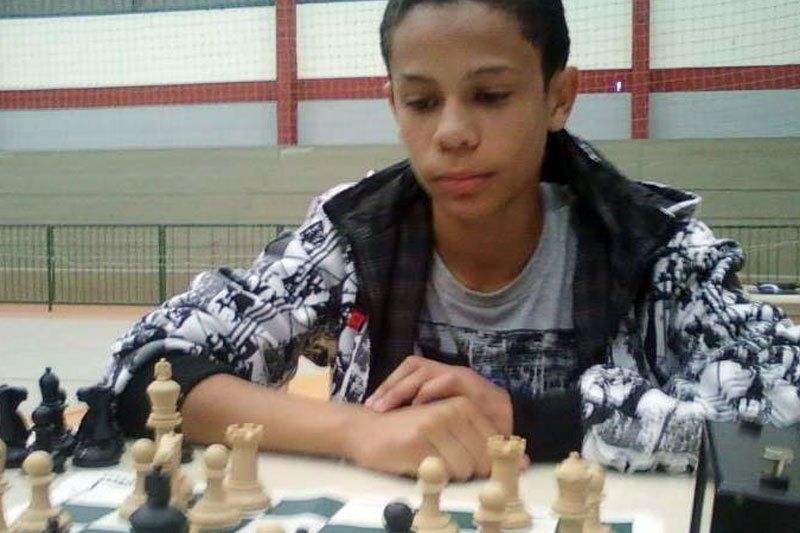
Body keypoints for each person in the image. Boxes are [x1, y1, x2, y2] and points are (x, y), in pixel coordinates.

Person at [103, 0, 800, 480]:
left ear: (559, 97)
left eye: (491, 96)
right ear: (392, 104)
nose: (453, 133)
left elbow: (783, 416)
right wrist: (356, 430)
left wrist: (527, 417)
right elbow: (146, 369)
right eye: (422, 101)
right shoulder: (352, 236)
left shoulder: (652, 246)